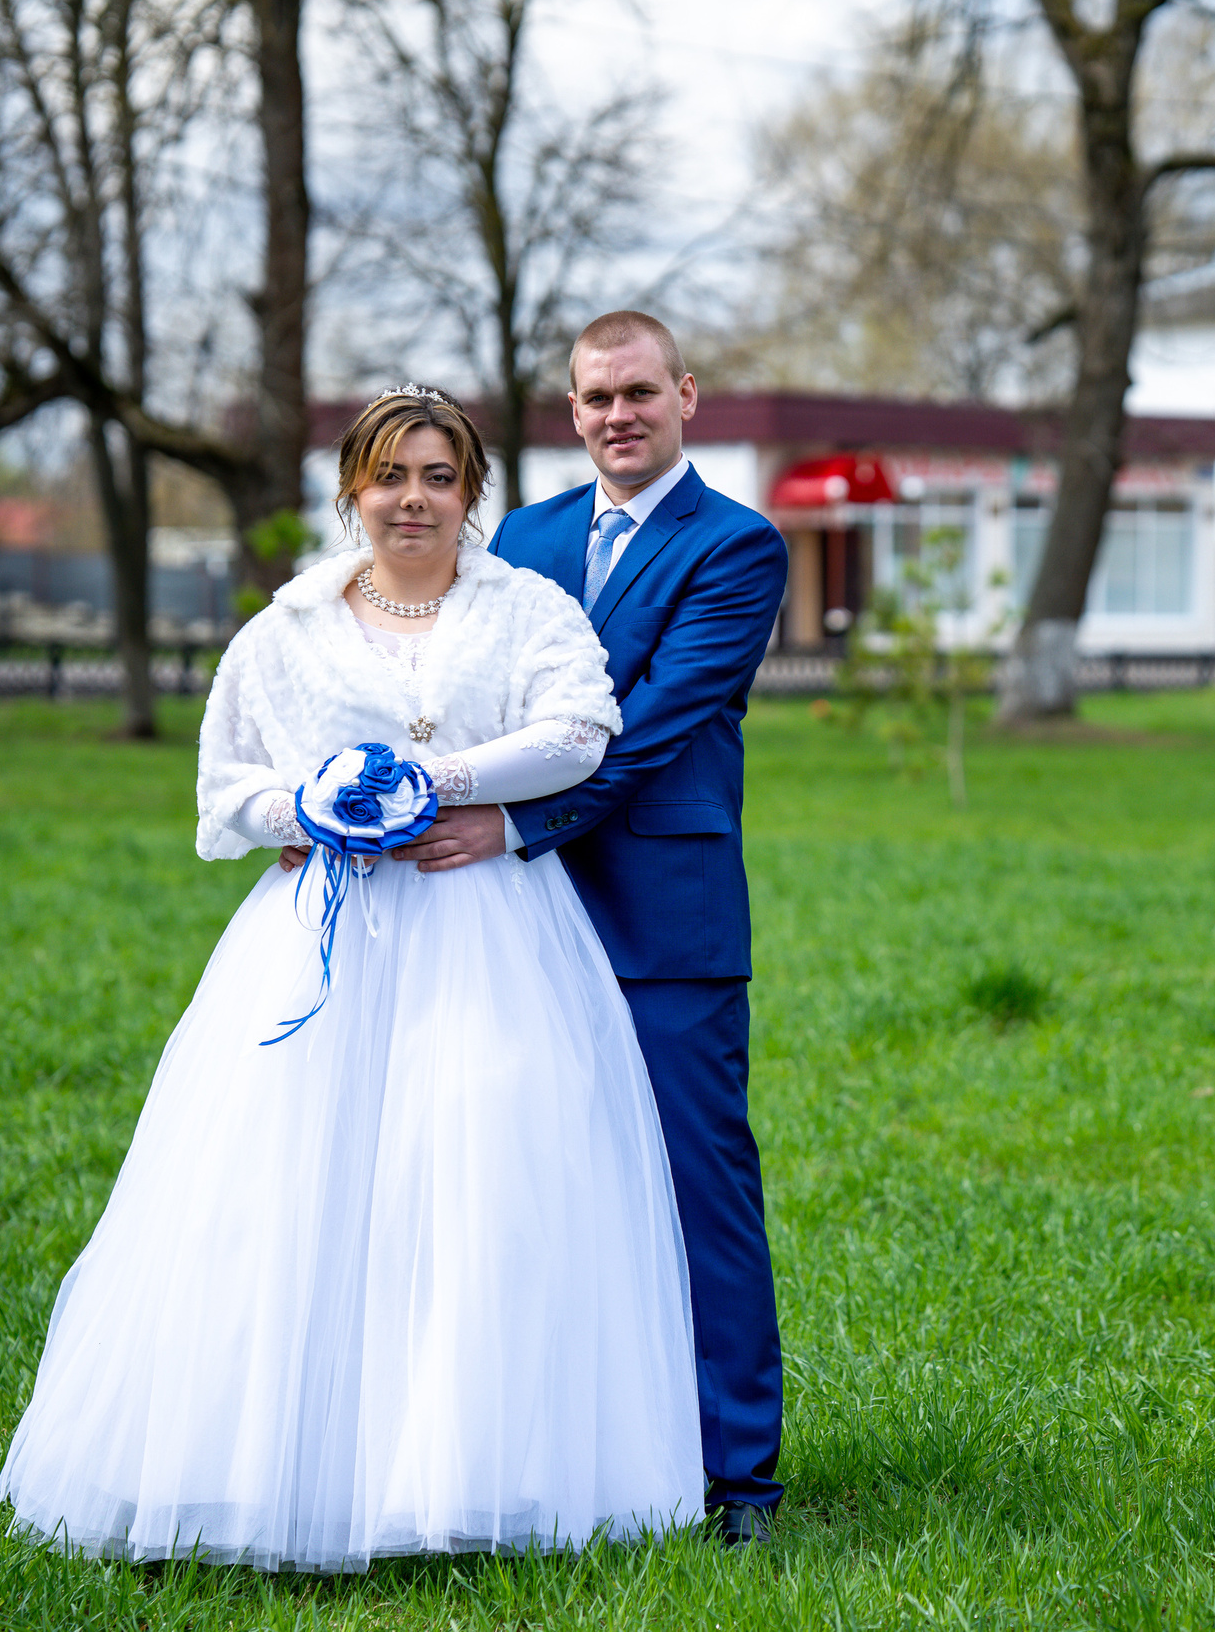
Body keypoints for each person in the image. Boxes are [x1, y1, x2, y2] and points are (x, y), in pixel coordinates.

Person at [0, 386, 702, 1571]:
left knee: (479, 1178)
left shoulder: (528, 611)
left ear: (472, 494)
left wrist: (438, 784)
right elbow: (228, 787)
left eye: (437, 476)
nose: (412, 498)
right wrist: (307, 806)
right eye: (389, 476)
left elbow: (582, 733)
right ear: (351, 491)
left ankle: (466, 1471)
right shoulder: (286, 628)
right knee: (285, 1184)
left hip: (490, 935)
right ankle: (271, 1468)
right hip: (321, 939)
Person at [400, 311, 792, 1546]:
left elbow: (653, 720)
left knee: (697, 1187)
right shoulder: (523, 536)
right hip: (514, 925)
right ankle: (567, 1455)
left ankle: (738, 1477)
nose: (616, 415)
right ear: (569, 413)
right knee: (531, 1186)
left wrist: (511, 822)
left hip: (661, 922)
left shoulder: (739, 547)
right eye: (592, 399)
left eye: (637, 393)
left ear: (685, 394)